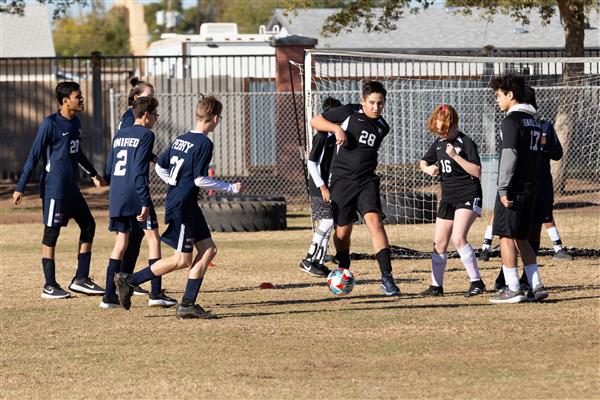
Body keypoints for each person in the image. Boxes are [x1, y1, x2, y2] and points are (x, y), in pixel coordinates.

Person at [114, 95, 241, 319]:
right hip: (183, 205)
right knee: (182, 260)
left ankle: (188, 304)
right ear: (215, 119)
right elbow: (199, 180)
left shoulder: (181, 139)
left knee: (209, 250)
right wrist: (229, 188)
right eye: (218, 117)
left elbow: (160, 167)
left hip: (187, 204)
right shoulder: (204, 143)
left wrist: (173, 182)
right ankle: (129, 280)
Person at [12, 81, 106, 299]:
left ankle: (81, 278)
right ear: (65, 101)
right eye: (78, 97)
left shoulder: (75, 122)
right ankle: (49, 285)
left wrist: (93, 173)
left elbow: (78, 152)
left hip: (71, 189)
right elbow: (33, 156)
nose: (82, 100)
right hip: (55, 189)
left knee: (89, 225)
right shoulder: (50, 124)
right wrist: (20, 188)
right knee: (52, 233)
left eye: (81, 96)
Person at [309, 81, 401, 296]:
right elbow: (315, 120)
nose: (376, 107)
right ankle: (343, 268)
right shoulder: (348, 112)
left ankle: (387, 278)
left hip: (367, 181)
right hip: (342, 181)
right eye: (372, 103)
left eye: (380, 103)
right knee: (342, 232)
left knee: (375, 223)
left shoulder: (383, 127)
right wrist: (335, 128)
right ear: (363, 101)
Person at [100, 97, 177, 309]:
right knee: (153, 239)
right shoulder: (146, 134)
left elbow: (109, 169)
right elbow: (139, 171)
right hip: (136, 195)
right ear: (146, 115)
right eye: (155, 115)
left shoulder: (120, 134)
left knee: (121, 243)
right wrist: (144, 201)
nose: (155, 120)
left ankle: (108, 297)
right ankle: (155, 293)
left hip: (117, 194)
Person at [480, 87, 570, 263]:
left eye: (499, 95)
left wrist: (543, 146)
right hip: (519, 182)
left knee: (534, 224)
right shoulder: (514, 123)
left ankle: (526, 277)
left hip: (537, 182)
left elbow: (557, 153)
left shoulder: (541, 126)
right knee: (509, 228)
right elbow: (510, 154)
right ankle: (487, 248)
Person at [488, 74, 548, 304]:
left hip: (513, 189)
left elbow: (509, 156)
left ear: (510, 95)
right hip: (531, 187)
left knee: (506, 236)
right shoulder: (534, 121)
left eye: (499, 95)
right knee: (523, 238)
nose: (497, 100)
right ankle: (536, 285)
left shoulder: (510, 121)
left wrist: (503, 188)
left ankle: (513, 288)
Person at [419, 104, 486, 297]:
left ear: (453, 124)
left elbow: (477, 171)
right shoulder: (439, 143)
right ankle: (436, 286)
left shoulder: (465, 143)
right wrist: (427, 169)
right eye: (438, 130)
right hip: (448, 198)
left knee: (458, 238)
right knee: (439, 242)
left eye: (444, 130)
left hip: (468, 195)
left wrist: (455, 156)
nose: (441, 134)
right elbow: (423, 161)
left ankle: (477, 282)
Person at [116, 77, 158, 297]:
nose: (151, 100)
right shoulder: (129, 120)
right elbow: (131, 149)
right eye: (147, 97)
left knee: (136, 236)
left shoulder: (137, 123)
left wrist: (155, 159)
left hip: (128, 186)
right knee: (142, 235)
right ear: (135, 99)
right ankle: (129, 280)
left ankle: (127, 279)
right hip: (132, 187)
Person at [299, 96, 342, 277]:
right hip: (318, 186)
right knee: (328, 221)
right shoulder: (322, 137)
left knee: (330, 222)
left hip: (327, 185)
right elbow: (311, 163)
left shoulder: (334, 136)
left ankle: (318, 260)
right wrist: (323, 187)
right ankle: (308, 260)